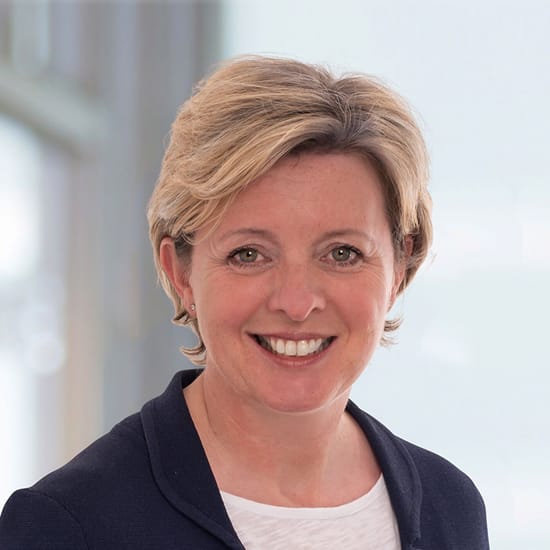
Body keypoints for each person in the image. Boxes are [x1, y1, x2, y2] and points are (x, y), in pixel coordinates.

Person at [0, 56, 489, 549]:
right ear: (181, 272)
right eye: (249, 254)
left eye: (342, 253)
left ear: (399, 268)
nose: (296, 303)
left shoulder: (449, 506)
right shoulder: (69, 524)